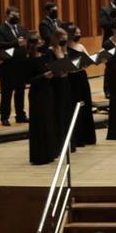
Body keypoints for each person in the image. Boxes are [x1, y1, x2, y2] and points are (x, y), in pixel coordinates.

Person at [24, 32, 56, 165]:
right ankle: (39, 155)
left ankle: (49, 153)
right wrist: (44, 76)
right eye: (39, 41)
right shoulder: (28, 60)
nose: (42, 42)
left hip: (47, 92)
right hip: (37, 94)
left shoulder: (45, 57)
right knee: (39, 124)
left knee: (48, 122)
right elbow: (27, 80)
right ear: (34, 44)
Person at [0, 6, 28, 126]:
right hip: (7, 66)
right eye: (14, 15)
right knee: (7, 93)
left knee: (20, 92)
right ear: (7, 16)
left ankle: (20, 115)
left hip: (21, 65)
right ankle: (4, 117)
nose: (16, 17)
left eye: (18, 15)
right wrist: (16, 43)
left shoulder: (21, 28)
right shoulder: (0, 29)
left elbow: (25, 42)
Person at [64, 25, 97, 147]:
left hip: (81, 77)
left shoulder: (81, 46)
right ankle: (76, 138)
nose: (79, 35)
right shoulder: (64, 48)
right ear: (71, 34)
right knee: (74, 106)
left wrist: (87, 62)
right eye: (77, 33)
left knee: (85, 105)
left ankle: (87, 137)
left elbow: (88, 61)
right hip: (71, 79)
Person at [48, 28, 74, 159]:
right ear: (56, 38)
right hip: (56, 85)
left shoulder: (64, 50)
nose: (65, 40)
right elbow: (52, 66)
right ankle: (58, 145)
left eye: (66, 38)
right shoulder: (51, 51)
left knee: (66, 112)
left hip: (65, 83)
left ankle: (68, 143)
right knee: (58, 113)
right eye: (62, 38)